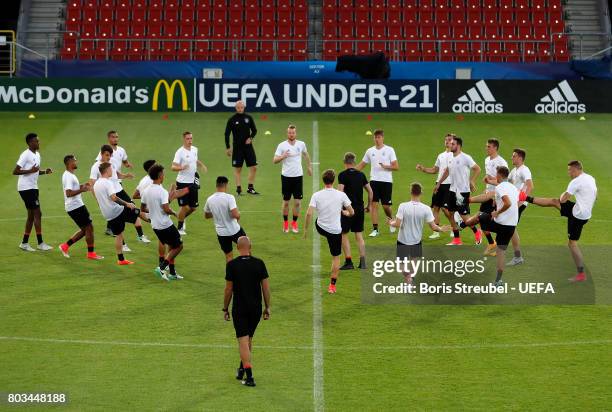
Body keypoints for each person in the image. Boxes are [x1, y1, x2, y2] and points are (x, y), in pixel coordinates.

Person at [523, 160, 597, 282]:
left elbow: (563, 200)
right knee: (554, 202)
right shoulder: (590, 177)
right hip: (585, 212)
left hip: (577, 215)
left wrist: (564, 193)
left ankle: (581, 274)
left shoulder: (576, 181)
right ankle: (526, 198)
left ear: (575, 170)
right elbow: (596, 194)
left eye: (569, 170)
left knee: (572, 244)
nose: (569, 173)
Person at [223, 236, 271, 387]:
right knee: (248, 339)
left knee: (243, 341)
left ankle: (249, 377)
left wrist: (225, 308)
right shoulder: (259, 263)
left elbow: (228, 289)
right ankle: (241, 369)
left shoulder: (232, 265)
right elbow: (266, 288)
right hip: (256, 308)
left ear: (237, 248)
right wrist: (267, 307)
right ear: (251, 247)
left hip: (240, 308)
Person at [461, 166, 519, 286]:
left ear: (499, 175)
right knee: (501, 252)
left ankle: (463, 225)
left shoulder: (500, 187)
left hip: (501, 224)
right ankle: (498, 281)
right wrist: (497, 203)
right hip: (511, 226)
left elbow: (507, 203)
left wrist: (497, 212)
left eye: (496, 175)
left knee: (482, 217)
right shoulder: (513, 188)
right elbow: (511, 203)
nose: (495, 177)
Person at [387, 183, 450, 283]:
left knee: (401, 266)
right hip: (416, 241)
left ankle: (407, 278)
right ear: (421, 193)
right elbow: (433, 227)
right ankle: (410, 279)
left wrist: (391, 222)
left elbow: (397, 224)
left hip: (402, 241)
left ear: (410, 192)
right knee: (413, 264)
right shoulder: (426, 209)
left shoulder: (403, 206)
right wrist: (441, 229)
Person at [304, 169, 354, 294]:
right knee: (336, 257)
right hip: (335, 231)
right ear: (334, 180)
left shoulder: (316, 195)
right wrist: (345, 213)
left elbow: (309, 213)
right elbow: (352, 212)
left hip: (320, 227)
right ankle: (332, 286)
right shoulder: (341, 195)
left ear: (323, 180)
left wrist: (305, 229)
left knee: (319, 221)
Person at [90, 144, 147, 251]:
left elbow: (117, 175)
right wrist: (98, 200)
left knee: (133, 208)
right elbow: (91, 185)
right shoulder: (96, 167)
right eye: (107, 155)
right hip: (111, 196)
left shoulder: (111, 164)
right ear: (101, 154)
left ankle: (141, 236)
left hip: (120, 191)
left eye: (110, 155)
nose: (108, 157)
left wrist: (126, 176)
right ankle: (123, 245)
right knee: (117, 219)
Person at [93, 162, 147, 265]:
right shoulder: (108, 183)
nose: (112, 171)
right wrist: (127, 204)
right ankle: (157, 224)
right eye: (111, 169)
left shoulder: (96, 184)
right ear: (107, 170)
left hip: (107, 214)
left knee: (118, 235)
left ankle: (121, 259)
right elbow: (114, 198)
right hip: (117, 211)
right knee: (136, 212)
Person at [435, 136, 482, 246]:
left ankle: (477, 232)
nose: (450, 145)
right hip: (452, 190)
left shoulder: (466, 157)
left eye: (453, 144)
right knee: (450, 214)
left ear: (459, 145)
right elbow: (447, 171)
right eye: (450, 144)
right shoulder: (450, 157)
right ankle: (457, 239)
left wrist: (472, 181)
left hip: (462, 192)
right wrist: (439, 183)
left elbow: (477, 169)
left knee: (465, 218)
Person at [142, 164, 185, 281]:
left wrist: (154, 210)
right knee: (179, 246)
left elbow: (143, 208)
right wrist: (174, 213)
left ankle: (172, 273)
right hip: (165, 224)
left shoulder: (146, 191)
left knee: (171, 246)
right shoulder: (162, 191)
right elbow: (166, 209)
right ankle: (161, 268)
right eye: (163, 174)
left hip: (155, 226)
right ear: (160, 176)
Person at [13, 133, 53, 252]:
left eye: (38, 141)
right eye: (36, 141)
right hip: (26, 188)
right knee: (37, 213)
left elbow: (35, 171)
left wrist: (45, 171)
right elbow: (15, 171)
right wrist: (30, 170)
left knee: (31, 215)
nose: (38, 143)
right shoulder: (25, 155)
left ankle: (24, 243)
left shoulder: (37, 155)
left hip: (33, 187)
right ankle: (40, 243)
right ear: (30, 143)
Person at [58, 155, 103, 260]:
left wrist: (82, 186)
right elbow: (68, 193)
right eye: (74, 161)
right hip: (76, 206)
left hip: (74, 206)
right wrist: (82, 190)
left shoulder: (69, 175)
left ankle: (65, 246)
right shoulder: (68, 176)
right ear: (69, 163)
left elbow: (72, 188)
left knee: (85, 229)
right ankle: (91, 254)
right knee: (89, 228)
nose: (76, 162)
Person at [355, 129, 399, 237]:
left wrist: (386, 166)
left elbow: (396, 166)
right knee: (374, 205)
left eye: (379, 137)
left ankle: (391, 219)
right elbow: (361, 165)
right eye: (375, 137)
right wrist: (350, 172)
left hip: (387, 181)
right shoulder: (370, 151)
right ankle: (375, 229)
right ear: (373, 138)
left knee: (385, 206)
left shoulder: (390, 150)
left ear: (383, 138)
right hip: (374, 181)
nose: (377, 139)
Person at [273, 124, 312, 233]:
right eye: (290, 133)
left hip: (298, 177)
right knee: (286, 202)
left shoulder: (301, 144)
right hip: (286, 177)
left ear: (296, 133)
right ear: (287, 133)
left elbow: (306, 154)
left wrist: (309, 167)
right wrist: (282, 156)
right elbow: (274, 160)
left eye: (293, 132)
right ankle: (286, 223)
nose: (291, 134)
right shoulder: (282, 145)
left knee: (297, 203)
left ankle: (294, 223)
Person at [416, 133, 455, 239]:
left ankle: (454, 228)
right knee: (436, 207)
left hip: (449, 185)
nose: (447, 141)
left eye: (450, 140)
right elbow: (434, 170)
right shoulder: (441, 155)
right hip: (439, 184)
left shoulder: (455, 155)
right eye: (446, 140)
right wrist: (423, 168)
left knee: (445, 208)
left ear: (453, 142)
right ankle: (436, 231)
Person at [338, 152, 373, 270]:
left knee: (344, 234)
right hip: (359, 209)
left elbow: (340, 192)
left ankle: (349, 262)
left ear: (345, 163)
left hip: (347, 209)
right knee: (359, 235)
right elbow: (370, 191)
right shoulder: (361, 175)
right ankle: (362, 262)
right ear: (354, 162)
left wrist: (341, 208)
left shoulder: (342, 175)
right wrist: (368, 205)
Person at [95, 130, 133, 236]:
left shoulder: (121, 150)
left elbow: (124, 160)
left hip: (117, 181)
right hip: (109, 182)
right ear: (109, 138)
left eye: (116, 137)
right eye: (113, 137)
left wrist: (127, 165)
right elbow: (100, 164)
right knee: (116, 203)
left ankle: (111, 227)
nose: (115, 139)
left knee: (115, 204)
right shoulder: (105, 151)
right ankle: (116, 227)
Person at [172, 131, 207, 235]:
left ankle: (181, 218)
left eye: (191, 138)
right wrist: (181, 167)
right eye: (188, 139)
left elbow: (195, 160)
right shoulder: (180, 152)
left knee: (193, 208)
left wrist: (202, 165)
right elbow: (173, 167)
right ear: (184, 139)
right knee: (185, 207)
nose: (190, 141)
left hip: (192, 183)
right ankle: (179, 228)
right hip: (182, 183)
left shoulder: (195, 149)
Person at [205, 176, 247, 262]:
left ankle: (230, 275)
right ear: (226, 185)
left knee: (228, 256)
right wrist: (238, 215)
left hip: (221, 233)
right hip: (234, 230)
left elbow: (206, 215)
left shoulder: (210, 199)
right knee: (246, 249)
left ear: (216, 185)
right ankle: (247, 270)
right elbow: (235, 214)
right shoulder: (229, 197)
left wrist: (218, 213)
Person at [225, 100, 259, 195]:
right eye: (238, 107)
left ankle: (250, 188)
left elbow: (255, 130)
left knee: (254, 167)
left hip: (248, 147)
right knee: (238, 169)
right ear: (236, 108)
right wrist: (228, 147)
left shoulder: (248, 118)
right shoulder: (232, 119)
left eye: (241, 107)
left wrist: (251, 138)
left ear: (244, 107)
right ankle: (239, 189)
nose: (240, 109)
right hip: (237, 148)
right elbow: (227, 134)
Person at [480, 138, 508, 256]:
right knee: (482, 219)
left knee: (496, 221)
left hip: (496, 197)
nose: (486, 148)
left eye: (489, 147)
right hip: (488, 194)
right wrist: (486, 186)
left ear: (495, 148)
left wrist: (490, 181)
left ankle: (499, 248)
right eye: (486, 146)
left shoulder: (502, 162)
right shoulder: (487, 159)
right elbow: (489, 176)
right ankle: (492, 242)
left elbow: (504, 182)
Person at [506, 148, 533, 266]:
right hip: (514, 203)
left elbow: (530, 185)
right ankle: (515, 255)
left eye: (514, 156)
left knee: (511, 228)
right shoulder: (514, 170)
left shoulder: (524, 170)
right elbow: (507, 183)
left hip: (519, 204)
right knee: (510, 228)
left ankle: (518, 257)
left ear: (520, 158)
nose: (512, 158)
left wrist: (521, 202)